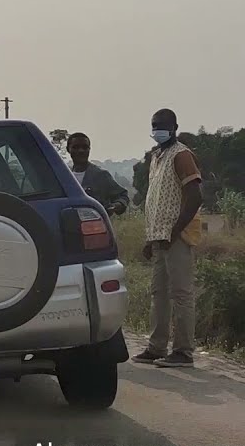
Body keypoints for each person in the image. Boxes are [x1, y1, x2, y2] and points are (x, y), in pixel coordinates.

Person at [133, 109, 204, 369]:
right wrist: (151, 238)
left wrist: (175, 231)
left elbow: (195, 196)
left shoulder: (181, 155)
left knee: (181, 294)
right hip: (159, 237)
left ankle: (183, 352)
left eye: (162, 125)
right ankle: (157, 347)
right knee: (159, 293)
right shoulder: (157, 156)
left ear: (174, 126)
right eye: (154, 125)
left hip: (177, 237)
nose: (157, 129)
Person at [65, 132, 131, 216]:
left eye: (85, 147)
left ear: (89, 149)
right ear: (68, 149)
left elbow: (122, 195)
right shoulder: (64, 176)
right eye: (76, 147)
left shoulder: (101, 175)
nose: (81, 151)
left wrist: (116, 206)